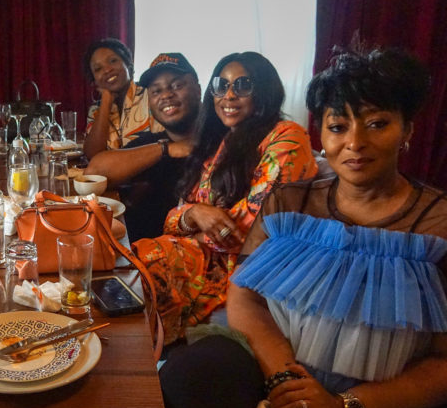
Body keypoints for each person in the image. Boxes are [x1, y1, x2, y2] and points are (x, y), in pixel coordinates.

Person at [160, 46, 447, 408]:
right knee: (185, 383)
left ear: (408, 130)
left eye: (376, 124)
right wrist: (289, 391)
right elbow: (245, 297)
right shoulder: (290, 203)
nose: (354, 142)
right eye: (338, 126)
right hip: (275, 370)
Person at [133, 52, 318, 344]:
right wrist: (195, 214)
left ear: (265, 89)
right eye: (221, 85)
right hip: (200, 257)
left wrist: (194, 226)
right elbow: (175, 216)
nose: (229, 95)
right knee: (125, 271)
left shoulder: (287, 137)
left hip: (247, 270)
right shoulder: (223, 141)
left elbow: (250, 228)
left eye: (243, 85)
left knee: (138, 276)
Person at [85, 53, 201, 241]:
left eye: (177, 86)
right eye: (156, 91)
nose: (166, 95)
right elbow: (94, 171)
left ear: (198, 89)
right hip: (137, 246)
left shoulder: (220, 142)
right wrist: (167, 149)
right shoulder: (155, 142)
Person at [82, 38, 163, 158]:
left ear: (128, 65)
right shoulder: (95, 111)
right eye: (98, 69)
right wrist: (106, 102)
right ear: (94, 80)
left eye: (113, 61)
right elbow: (92, 155)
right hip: (108, 170)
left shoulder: (151, 96)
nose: (107, 70)